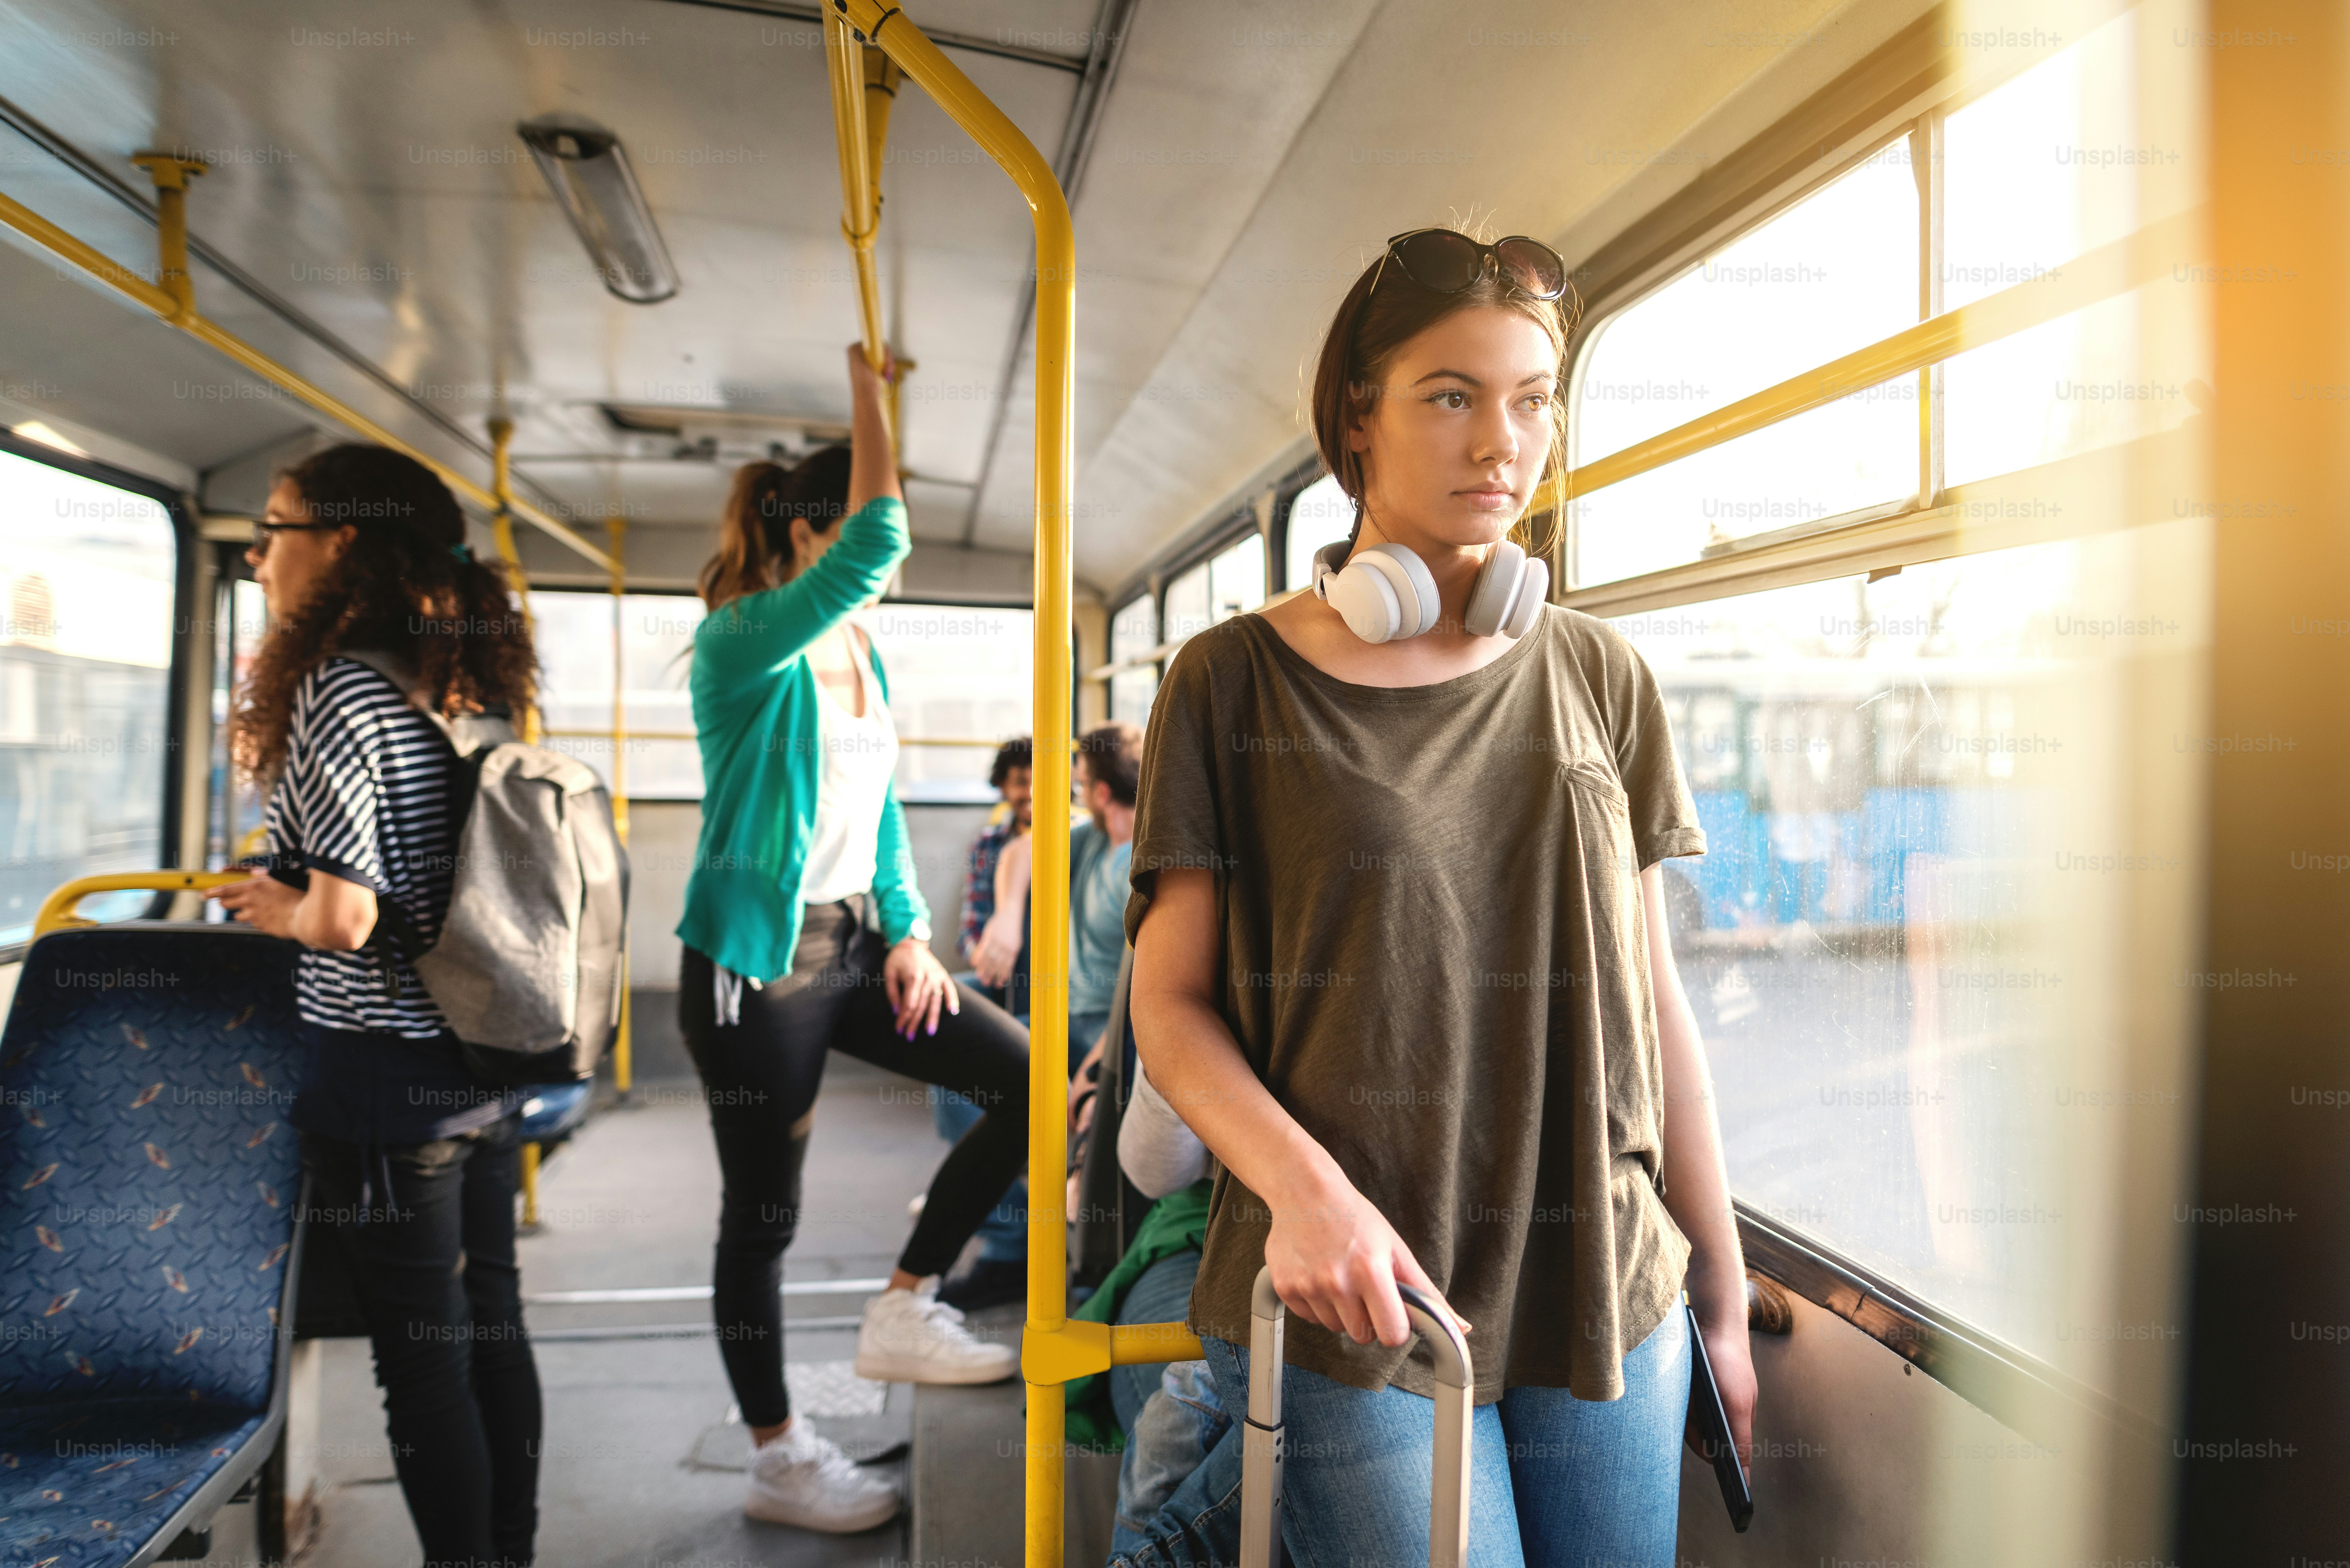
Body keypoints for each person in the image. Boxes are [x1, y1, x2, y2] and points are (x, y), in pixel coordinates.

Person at [1117, 227, 1756, 1566]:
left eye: (1531, 401)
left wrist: (1723, 1287)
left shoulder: (1600, 673)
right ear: (1357, 414)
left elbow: (1654, 1000)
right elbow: (1167, 1006)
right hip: (1361, 1305)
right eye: (1450, 396)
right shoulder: (1228, 682)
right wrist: (1304, 1194)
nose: (1499, 444)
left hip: (1608, 1291)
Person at [676, 345, 1032, 1535]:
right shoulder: (744, 640)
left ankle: (905, 1301)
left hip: (852, 949)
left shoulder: (860, 651)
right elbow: (881, 538)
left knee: (1025, 1077)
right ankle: (778, 1456)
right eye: (869, 532)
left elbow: (876, 808)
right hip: (756, 968)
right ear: (811, 536)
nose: (888, 557)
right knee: (762, 1217)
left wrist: (910, 932)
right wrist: (872, 391)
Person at [211, 443, 542, 1568]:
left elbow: (346, 918)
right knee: (492, 1331)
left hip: (387, 1074)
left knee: (426, 1365)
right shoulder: (458, 680)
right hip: (485, 1052)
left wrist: (272, 906)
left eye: (274, 525)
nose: (259, 552)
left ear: (341, 540)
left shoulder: (339, 688)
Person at [942, 723, 1144, 1312]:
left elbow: (1149, 976)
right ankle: (1013, 1238)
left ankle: (1072, 1254)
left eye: (1082, 781)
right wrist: (1006, 917)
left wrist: (1104, 1055)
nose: (1076, 791)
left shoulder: (1142, 855)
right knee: (947, 1011)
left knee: (1089, 1106)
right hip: (1055, 1016)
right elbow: (1019, 849)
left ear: (1101, 790)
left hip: (1107, 1028)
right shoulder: (1094, 840)